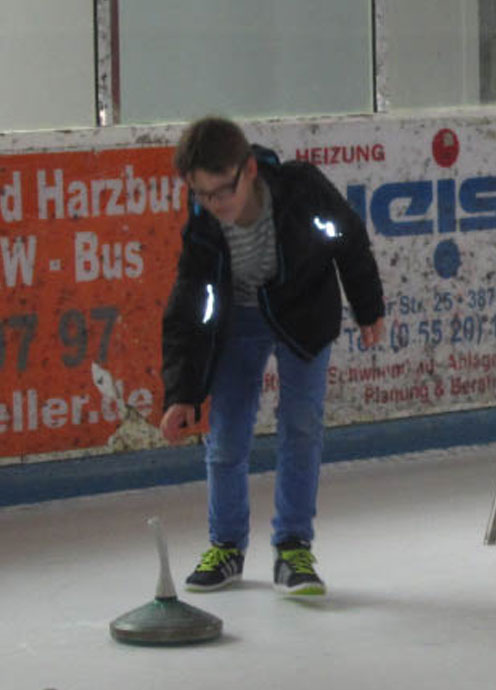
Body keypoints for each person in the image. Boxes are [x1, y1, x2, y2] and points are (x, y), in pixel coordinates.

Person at [159, 116, 385, 596]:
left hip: (304, 316)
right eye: (202, 195)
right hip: (239, 322)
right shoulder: (202, 228)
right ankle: (226, 546)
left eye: (223, 191)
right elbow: (186, 309)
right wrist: (180, 393)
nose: (216, 206)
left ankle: (293, 547)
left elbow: (347, 236)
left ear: (248, 171)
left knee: (301, 424)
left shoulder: (301, 189)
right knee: (225, 438)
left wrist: (368, 308)